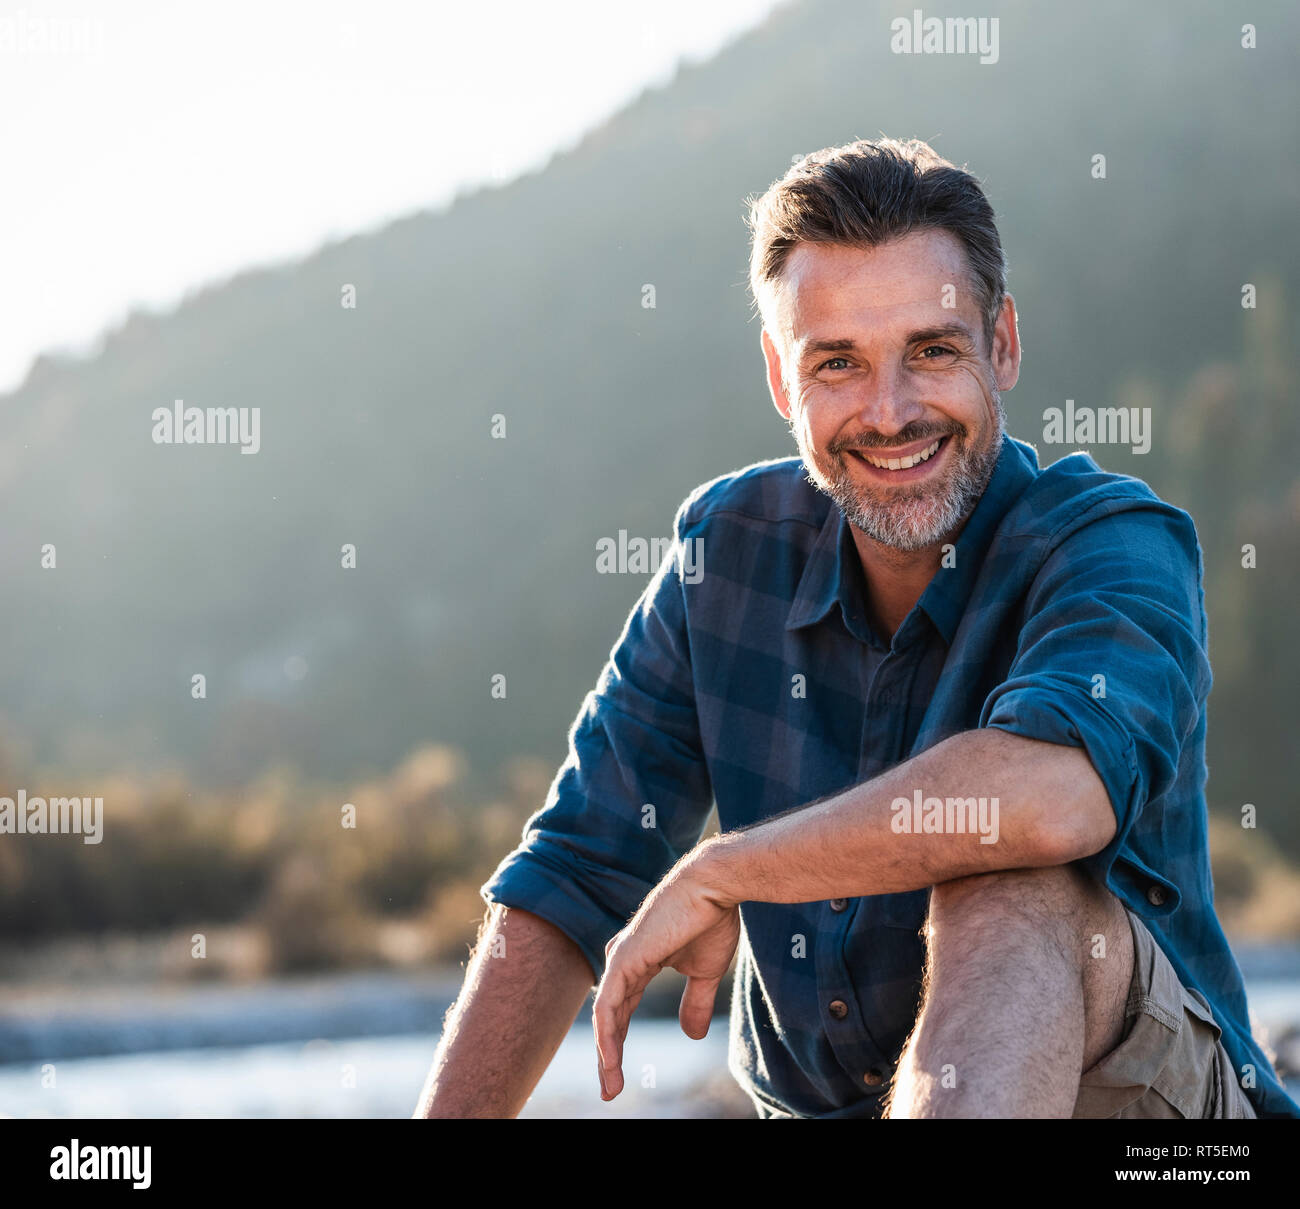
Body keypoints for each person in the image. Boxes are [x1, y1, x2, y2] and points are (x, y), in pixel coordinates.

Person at [415, 136, 1298, 1119]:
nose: (890, 413)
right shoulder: (727, 553)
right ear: (781, 380)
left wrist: (729, 868)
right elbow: (572, 871)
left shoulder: (1110, 546)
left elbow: (1050, 801)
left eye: (931, 350)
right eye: (837, 363)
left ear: (1001, 343)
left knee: (1010, 884)